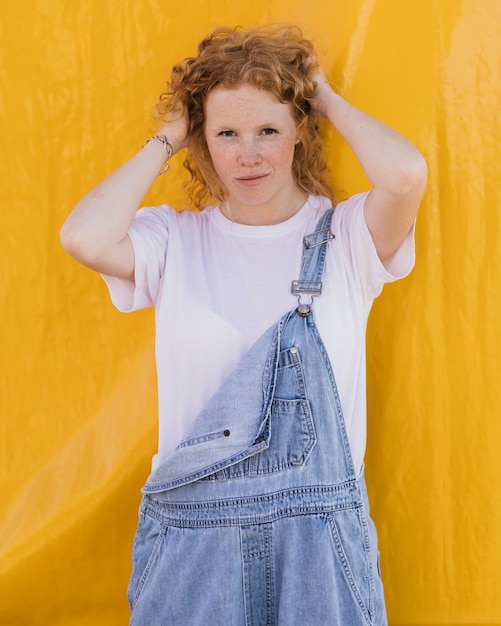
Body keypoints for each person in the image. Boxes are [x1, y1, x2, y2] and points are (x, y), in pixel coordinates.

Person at [60, 23, 426, 626]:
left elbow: (406, 175)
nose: (248, 154)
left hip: (319, 541)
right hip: (193, 540)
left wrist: (323, 96)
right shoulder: (174, 240)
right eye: (226, 133)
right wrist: (169, 134)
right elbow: (82, 236)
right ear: (203, 141)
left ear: (299, 133)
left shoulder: (346, 238)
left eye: (268, 130)